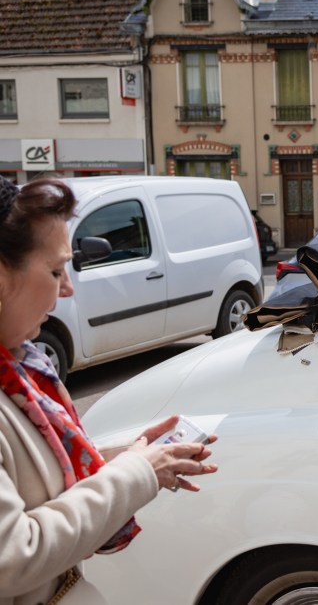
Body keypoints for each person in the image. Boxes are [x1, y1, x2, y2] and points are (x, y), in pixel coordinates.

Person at [0, 176, 218, 605]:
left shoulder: (20, 365)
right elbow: (13, 557)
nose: (67, 288)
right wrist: (136, 472)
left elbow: (27, 477)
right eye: (55, 271)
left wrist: (122, 458)